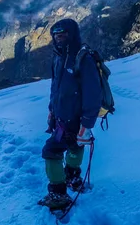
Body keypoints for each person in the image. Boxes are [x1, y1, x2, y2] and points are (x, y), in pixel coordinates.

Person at [39, 18, 102, 210]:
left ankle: (58, 194)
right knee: (75, 146)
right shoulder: (59, 56)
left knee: (51, 151)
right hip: (62, 117)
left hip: (74, 119)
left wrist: (87, 124)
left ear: (72, 34)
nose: (59, 38)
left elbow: (93, 93)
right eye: (56, 34)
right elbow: (55, 88)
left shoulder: (82, 58)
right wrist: (52, 110)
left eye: (63, 34)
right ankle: (73, 178)